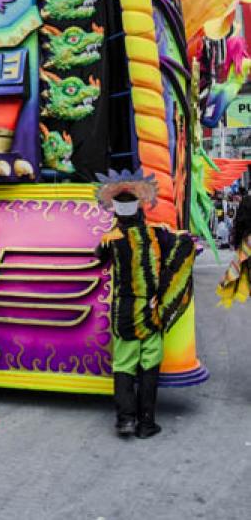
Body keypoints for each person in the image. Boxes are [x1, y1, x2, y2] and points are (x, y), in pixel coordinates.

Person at [95, 170, 195, 438]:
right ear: (139, 209)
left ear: (117, 212)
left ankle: (125, 420)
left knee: (124, 365)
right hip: (151, 310)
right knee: (150, 363)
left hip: (123, 312)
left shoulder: (110, 239)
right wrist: (163, 290)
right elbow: (185, 244)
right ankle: (146, 423)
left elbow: (98, 259)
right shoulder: (156, 235)